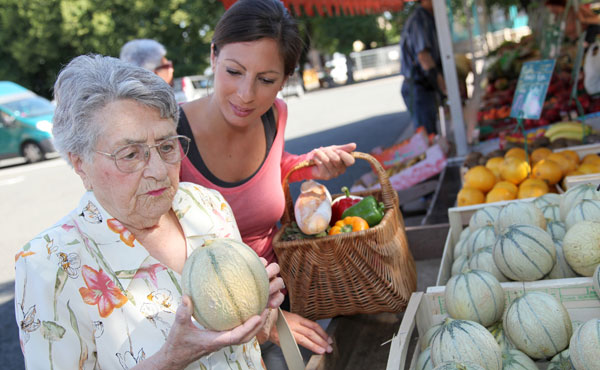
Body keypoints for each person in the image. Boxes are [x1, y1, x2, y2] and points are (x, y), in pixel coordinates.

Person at [14, 54, 286, 370]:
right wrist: (170, 360)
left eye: (167, 146)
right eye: (131, 154)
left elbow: (246, 348)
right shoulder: (48, 265)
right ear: (79, 163)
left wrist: (258, 315)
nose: (158, 170)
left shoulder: (207, 205)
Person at [177, 0, 355, 367]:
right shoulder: (169, 136)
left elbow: (272, 170)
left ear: (285, 80)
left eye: (266, 80)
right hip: (206, 327)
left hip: (280, 297)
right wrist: (263, 323)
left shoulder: (275, 115)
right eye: (234, 71)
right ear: (213, 56)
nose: (246, 94)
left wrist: (308, 168)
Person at [399, 0, 447, 135]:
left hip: (425, 86)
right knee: (427, 136)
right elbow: (424, 58)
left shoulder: (429, 17)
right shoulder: (419, 20)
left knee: (431, 133)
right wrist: (442, 87)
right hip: (418, 87)